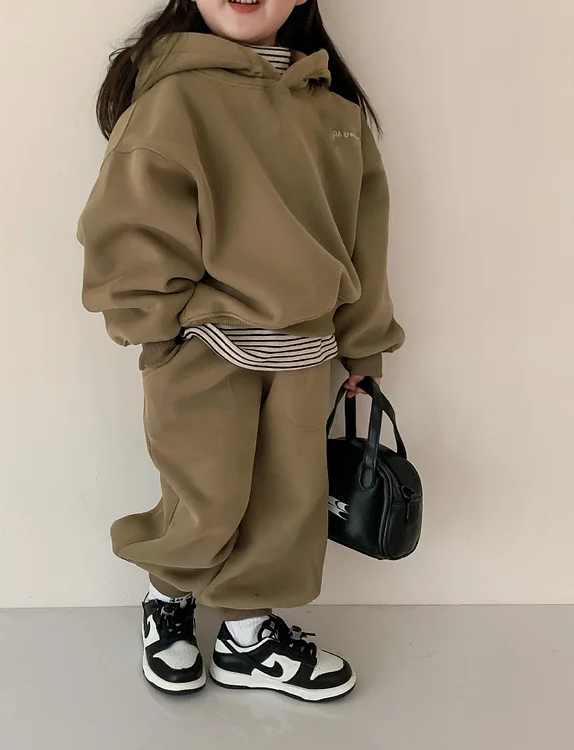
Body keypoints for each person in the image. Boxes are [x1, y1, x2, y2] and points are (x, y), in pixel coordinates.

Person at [78, 0, 404, 702]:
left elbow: (364, 240)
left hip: (304, 350)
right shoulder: (174, 99)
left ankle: (247, 638)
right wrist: (158, 329)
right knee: (203, 497)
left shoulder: (335, 112)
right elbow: (129, 220)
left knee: (288, 504)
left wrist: (364, 350)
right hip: (203, 347)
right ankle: (168, 601)